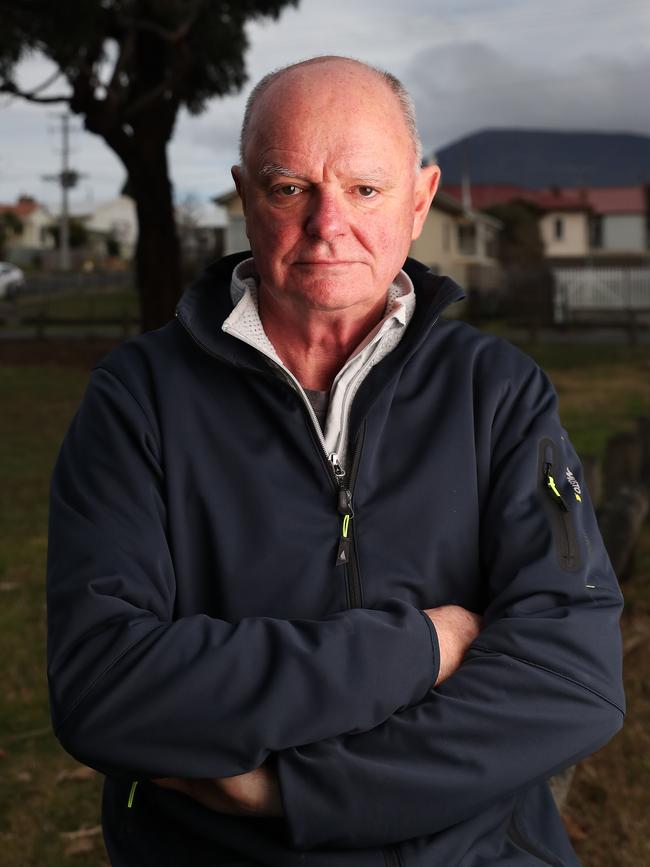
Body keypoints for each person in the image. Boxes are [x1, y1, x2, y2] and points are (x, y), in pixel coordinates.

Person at [46, 56, 624, 866]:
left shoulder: (498, 392)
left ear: (420, 200)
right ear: (247, 196)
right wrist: (424, 646)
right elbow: (103, 688)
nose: (328, 224)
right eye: (291, 189)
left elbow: (573, 681)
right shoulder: (137, 399)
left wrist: (289, 788)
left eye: (365, 189)